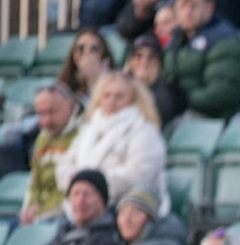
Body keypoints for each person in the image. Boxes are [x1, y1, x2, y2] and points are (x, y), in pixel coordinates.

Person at [57, 73, 169, 216]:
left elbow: (139, 175)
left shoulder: (144, 130)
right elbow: (64, 164)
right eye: (107, 95)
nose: (112, 101)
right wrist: (78, 184)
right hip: (78, 205)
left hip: (125, 208)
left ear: (134, 99)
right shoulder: (88, 129)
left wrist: (94, 184)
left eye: (119, 96)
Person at [156, 0, 240, 121]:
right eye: (182, 6)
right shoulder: (175, 39)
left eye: (194, 5)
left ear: (209, 7)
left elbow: (221, 94)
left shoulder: (225, 41)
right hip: (178, 109)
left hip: (210, 116)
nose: (187, 12)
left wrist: (180, 100)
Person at [19, 83, 83, 225]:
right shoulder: (42, 138)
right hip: (41, 214)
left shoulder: (84, 134)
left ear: (71, 106)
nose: (46, 121)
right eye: (40, 114)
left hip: (66, 214)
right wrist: (29, 208)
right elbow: (35, 182)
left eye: (52, 112)